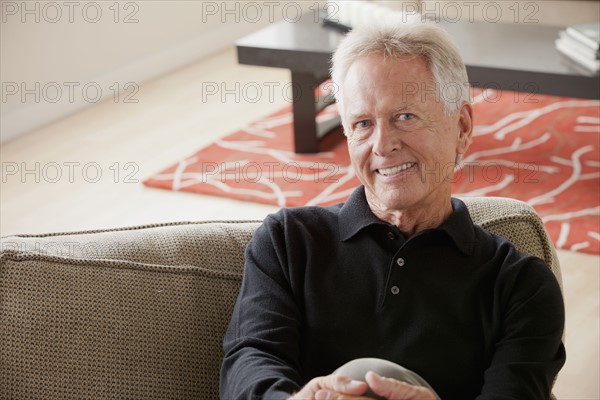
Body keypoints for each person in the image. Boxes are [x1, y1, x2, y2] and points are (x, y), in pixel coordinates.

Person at [220, 12, 566, 400]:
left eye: (405, 116)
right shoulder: (286, 242)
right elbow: (250, 361)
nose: (383, 145)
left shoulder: (522, 287)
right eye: (363, 123)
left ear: (462, 128)